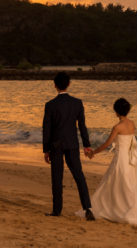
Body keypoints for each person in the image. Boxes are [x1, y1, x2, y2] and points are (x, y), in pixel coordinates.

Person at [76, 98, 137, 226]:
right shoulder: (132, 124)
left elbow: (107, 144)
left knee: (115, 183)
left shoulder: (117, 127)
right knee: (126, 185)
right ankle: (126, 209)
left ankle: (119, 210)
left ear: (116, 112)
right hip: (130, 160)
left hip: (120, 159)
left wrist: (93, 153)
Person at [42, 71, 95, 220]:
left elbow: (47, 128)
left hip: (56, 145)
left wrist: (46, 150)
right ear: (69, 84)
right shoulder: (77, 103)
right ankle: (88, 209)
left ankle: (57, 210)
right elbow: (82, 126)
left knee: (57, 178)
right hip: (72, 143)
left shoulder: (50, 105)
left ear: (55, 85)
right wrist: (86, 145)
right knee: (79, 175)